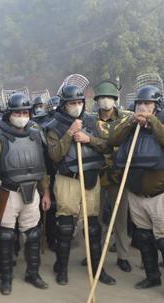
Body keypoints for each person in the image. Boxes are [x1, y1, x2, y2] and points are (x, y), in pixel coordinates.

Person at [109, 85, 164, 303]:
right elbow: (113, 139)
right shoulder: (130, 124)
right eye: (140, 104)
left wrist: (151, 121)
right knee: (143, 238)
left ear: (157, 106)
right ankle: (152, 277)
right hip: (136, 194)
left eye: (148, 104)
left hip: (160, 195)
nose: (142, 107)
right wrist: (132, 122)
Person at [45, 84, 116, 286]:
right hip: (68, 179)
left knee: (93, 227)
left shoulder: (93, 121)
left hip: (91, 179)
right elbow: (55, 154)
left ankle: (97, 270)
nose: (76, 106)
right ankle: (61, 268)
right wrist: (69, 133)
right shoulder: (53, 126)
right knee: (65, 227)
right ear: (64, 105)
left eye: (79, 102)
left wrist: (88, 138)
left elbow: (106, 146)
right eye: (72, 103)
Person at [0, 93, 51, 294]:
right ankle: (6, 279)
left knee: (33, 235)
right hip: (8, 193)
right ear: (9, 114)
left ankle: (33, 273)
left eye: (25, 112)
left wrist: (46, 192)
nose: (22, 116)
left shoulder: (34, 134)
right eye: (18, 112)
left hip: (32, 192)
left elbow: (41, 166)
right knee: (5, 236)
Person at [93, 80, 133, 273]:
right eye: (101, 98)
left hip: (119, 175)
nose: (105, 101)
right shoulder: (90, 120)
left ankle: (123, 256)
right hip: (97, 176)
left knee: (120, 219)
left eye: (109, 97)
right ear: (97, 100)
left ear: (115, 100)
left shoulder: (125, 119)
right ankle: (95, 253)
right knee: (96, 218)